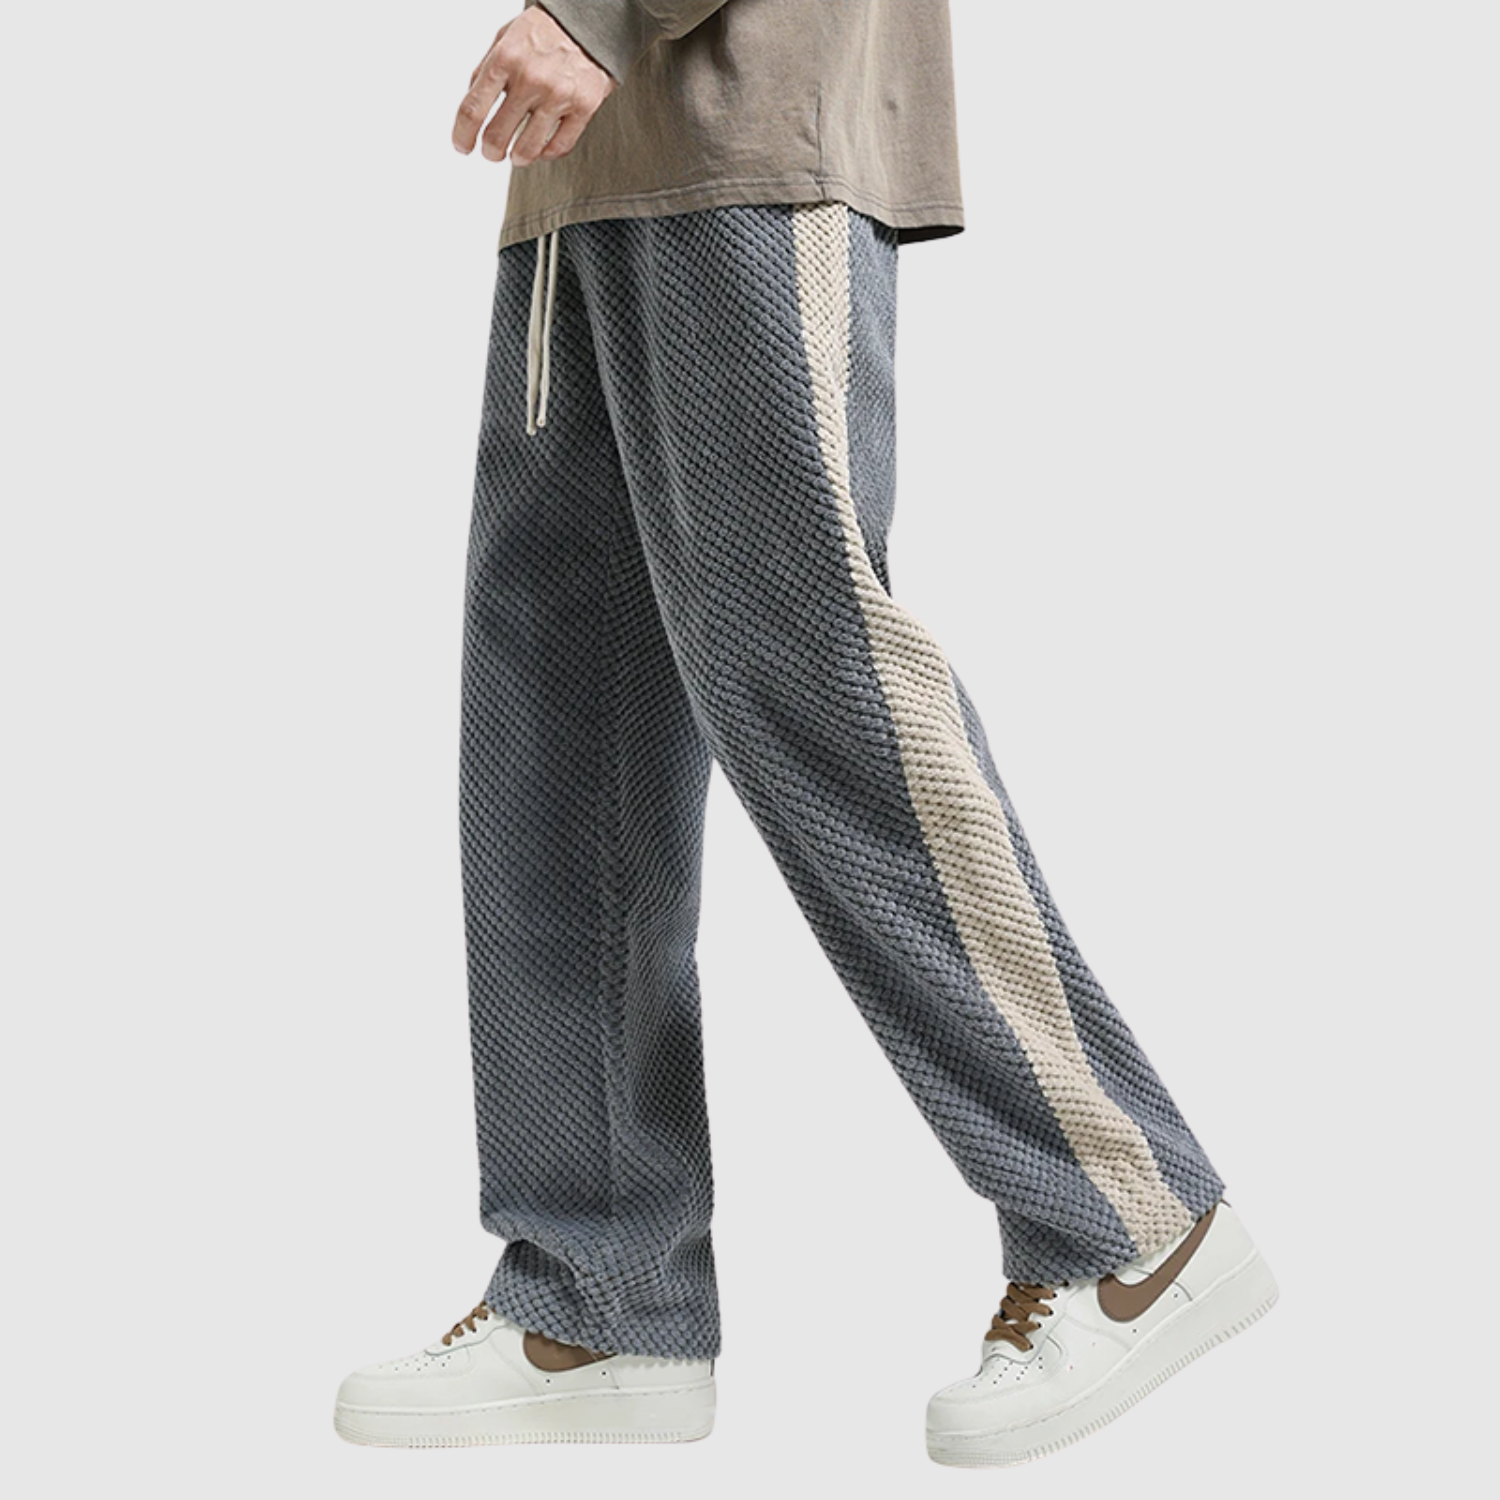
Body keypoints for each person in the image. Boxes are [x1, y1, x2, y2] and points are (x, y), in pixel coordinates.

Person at [333, 1, 1277, 1466]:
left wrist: (594, 11)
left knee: (816, 683)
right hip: (587, 169)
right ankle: (600, 1292)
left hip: (744, 111)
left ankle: (1132, 1218)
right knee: (558, 732)